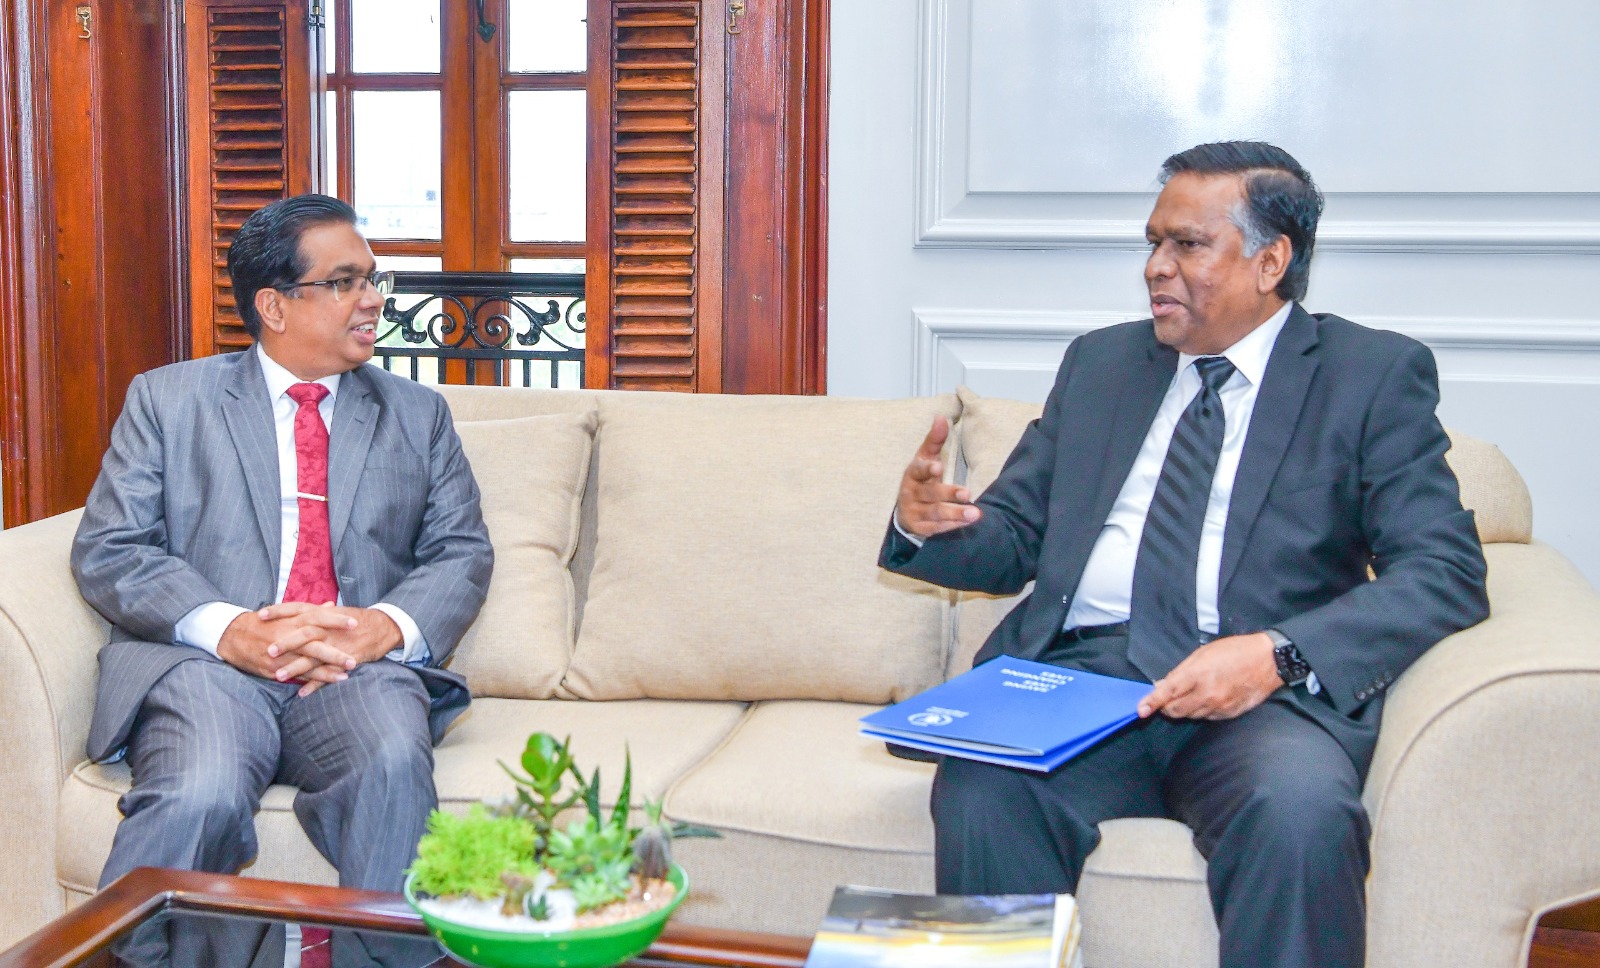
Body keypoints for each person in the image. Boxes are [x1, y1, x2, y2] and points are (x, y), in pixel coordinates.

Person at [880, 142, 1489, 967]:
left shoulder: (1369, 376)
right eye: (1153, 242)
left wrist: (1278, 654)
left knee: (1301, 814)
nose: (1155, 268)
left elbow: (1444, 571)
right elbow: (1017, 534)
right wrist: (930, 526)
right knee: (983, 787)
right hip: (1083, 681)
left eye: (1187, 245)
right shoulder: (1102, 366)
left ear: (1270, 260)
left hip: (1260, 697)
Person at [71, 194, 494, 967]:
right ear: (274, 305)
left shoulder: (416, 414)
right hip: (209, 670)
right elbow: (112, 547)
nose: (372, 300)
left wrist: (381, 629)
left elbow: (462, 551)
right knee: (196, 792)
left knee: (395, 769)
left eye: (373, 279)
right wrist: (229, 629)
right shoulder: (169, 401)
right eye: (344, 282)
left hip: (353, 672)